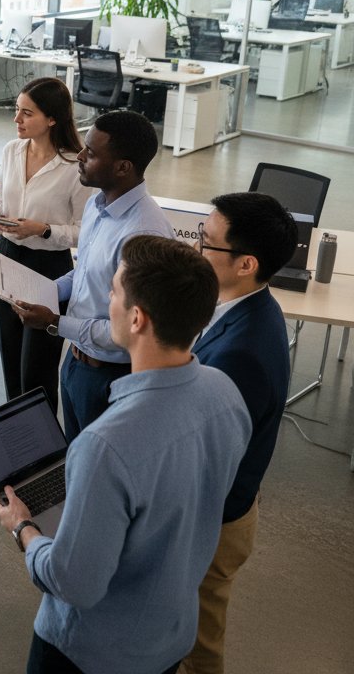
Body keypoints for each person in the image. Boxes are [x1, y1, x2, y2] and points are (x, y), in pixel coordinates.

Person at [0, 236, 251, 674]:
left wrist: (23, 528)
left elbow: (73, 583)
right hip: (171, 637)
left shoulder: (104, 446)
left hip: (88, 653)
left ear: (137, 318)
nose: (106, 302)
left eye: (112, 292)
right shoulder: (225, 394)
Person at [180, 193, 297, 674]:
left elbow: (209, 457)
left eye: (207, 242)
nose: (196, 249)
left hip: (216, 521)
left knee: (198, 642)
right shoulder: (246, 308)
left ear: (246, 264)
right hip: (228, 507)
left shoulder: (240, 354)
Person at [11, 110, 174, 440]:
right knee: (76, 456)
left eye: (92, 152)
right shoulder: (97, 205)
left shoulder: (143, 235)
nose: (80, 157)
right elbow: (84, 272)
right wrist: (45, 290)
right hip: (77, 360)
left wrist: (54, 323)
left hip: (112, 376)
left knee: (98, 465)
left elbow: (130, 331)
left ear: (123, 167)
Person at [0, 77, 92, 405]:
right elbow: (0, 198)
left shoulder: (74, 167)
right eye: (17, 110)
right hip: (6, 257)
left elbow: (84, 231)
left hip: (49, 268)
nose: (16, 119)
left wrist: (42, 229)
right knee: (11, 357)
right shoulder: (11, 151)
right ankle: (18, 428)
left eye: (26, 113)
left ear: (52, 119)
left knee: (37, 368)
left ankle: (42, 434)